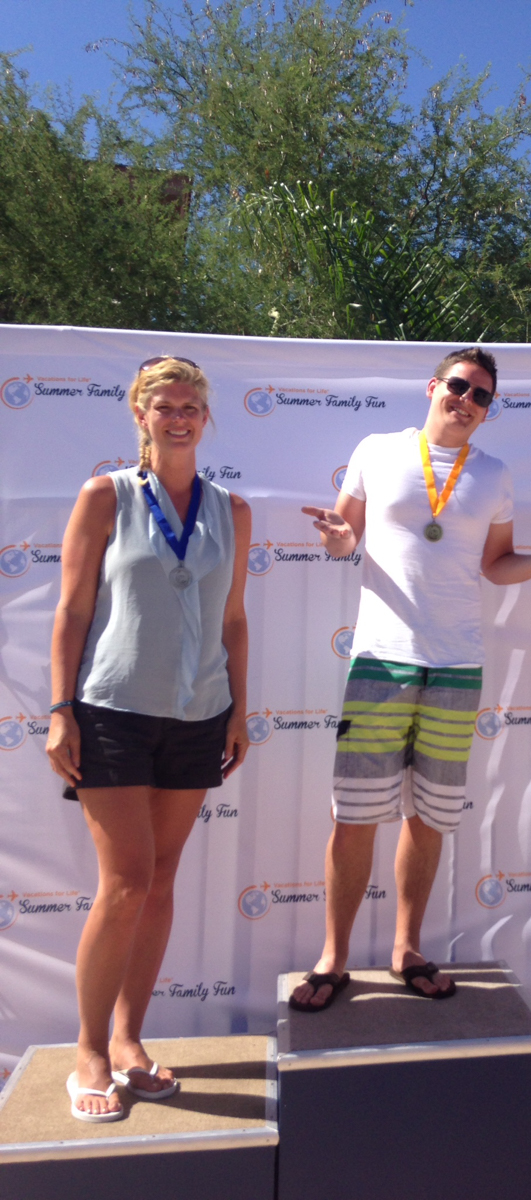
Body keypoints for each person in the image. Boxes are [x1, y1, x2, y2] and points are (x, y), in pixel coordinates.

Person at [292, 347, 531, 1011]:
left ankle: (407, 949)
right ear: (433, 386)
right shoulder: (377, 450)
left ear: (489, 411)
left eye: (481, 395)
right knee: (354, 816)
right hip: (380, 660)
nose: (466, 400)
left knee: (429, 817)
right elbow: (344, 536)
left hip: (457, 665)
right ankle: (333, 957)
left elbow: (496, 563)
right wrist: (338, 539)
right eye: (459, 386)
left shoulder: (493, 474)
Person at [45, 355, 251, 1122]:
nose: (179, 417)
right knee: (126, 882)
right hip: (112, 709)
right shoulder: (105, 495)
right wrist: (60, 709)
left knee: (160, 883)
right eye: (165, 406)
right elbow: (71, 610)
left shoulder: (233, 509)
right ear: (140, 415)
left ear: (206, 417)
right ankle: (89, 1051)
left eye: (191, 406)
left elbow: (234, 620)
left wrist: (238, 711)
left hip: (200, 713)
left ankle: (130, 1041)